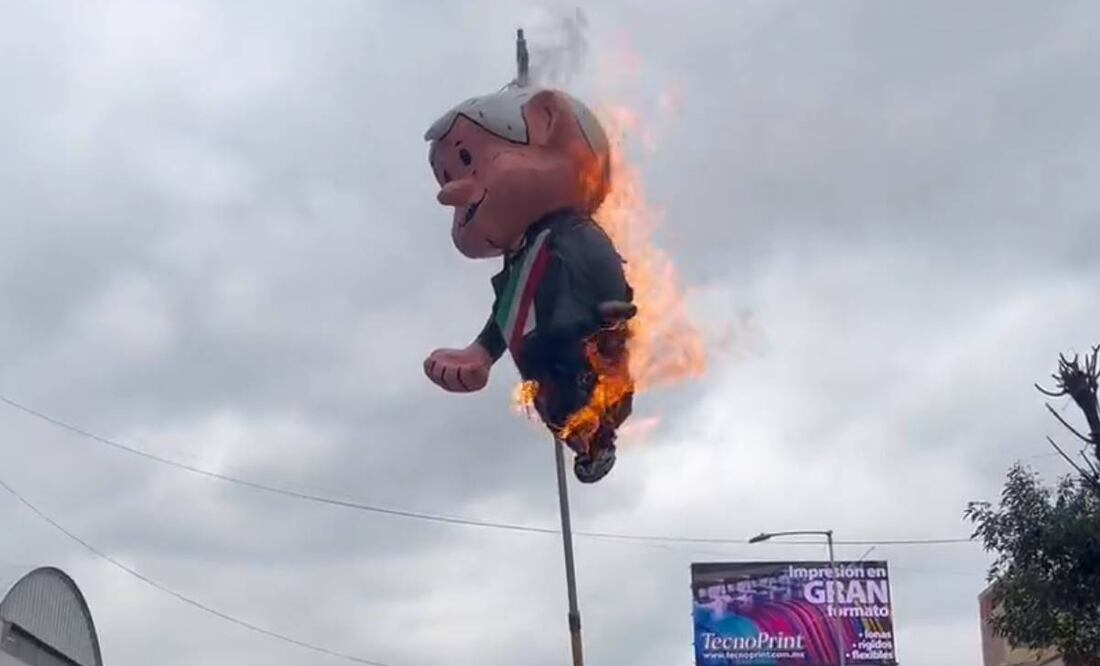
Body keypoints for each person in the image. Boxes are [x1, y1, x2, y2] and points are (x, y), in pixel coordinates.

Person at [420, 82, 635, 483]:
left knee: (587, 390)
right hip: (544, 369)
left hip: (584, 349)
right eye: (447, 177)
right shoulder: (521, 260)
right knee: (557, 402)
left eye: (468, 161)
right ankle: (585, 441)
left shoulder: (572, 234)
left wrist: (610, 312)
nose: (452, 192)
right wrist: (480, 354)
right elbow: (506, 314)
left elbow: (602, 270)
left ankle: (597, 436)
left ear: (546, 124)